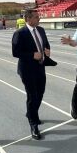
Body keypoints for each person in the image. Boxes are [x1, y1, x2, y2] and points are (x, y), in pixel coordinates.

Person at [12, 9, 50, 140]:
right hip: (27, 70)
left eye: (38, 16)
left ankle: (31, 113)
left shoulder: (41, 30)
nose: (39, 19)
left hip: (40, 68)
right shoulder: (20, 33)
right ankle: (33, 124)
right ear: (28, 19)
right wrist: (32, 55)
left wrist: (47, 50)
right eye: (36, 17)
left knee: (40, 93)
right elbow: (15, 52)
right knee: (32, 96)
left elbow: (45, 43)